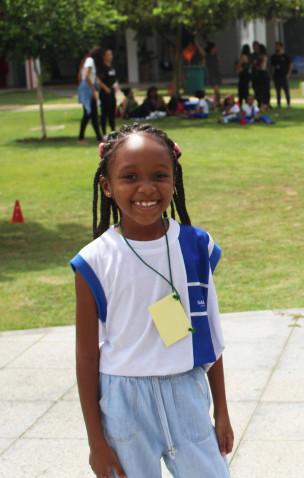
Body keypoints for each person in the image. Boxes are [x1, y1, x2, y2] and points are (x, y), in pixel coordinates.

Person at [71, 123, 233, 478]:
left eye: (159, 175)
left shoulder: (196, 246)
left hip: (186, 392)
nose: (146, 188)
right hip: (124, 403)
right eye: (129, 177)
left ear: (173, 180)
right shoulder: (94, 261)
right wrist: (96, 442)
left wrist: (221, 410)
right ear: (107, 186)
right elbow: (86, 355)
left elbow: (212, 335)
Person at [78, 47, 103, 143]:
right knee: (88, 114)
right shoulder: (90, 60)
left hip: (88, 88)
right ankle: (81, 138)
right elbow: (87, 75)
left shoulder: (88, 60)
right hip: (87, 89)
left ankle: (99, 138)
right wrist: (92, 89)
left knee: (93, 114)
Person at [97, 48, 118, 136]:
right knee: (104, 113)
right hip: (104, 93)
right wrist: (105, 88)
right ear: (104, 56)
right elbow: (98, 79)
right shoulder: (102, 68)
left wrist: (117, 87)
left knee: (112, 113)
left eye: (111, 54)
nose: (110, 56)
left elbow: (115, 79)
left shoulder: (112, 67)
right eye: (108, 54)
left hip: (112, 93)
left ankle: (113, 131)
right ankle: (104, 133)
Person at [270, 42, 292, 108]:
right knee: (278, 90)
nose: (276, 47)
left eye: (277, 46)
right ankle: (278, 104)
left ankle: (288, 104)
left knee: (286, 90)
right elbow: (272, 66)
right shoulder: (273, 57)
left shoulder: (286, 56)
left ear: (281, 47)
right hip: (276, 76)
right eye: (275, 46)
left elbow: (290, 65)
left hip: (284, 75)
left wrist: (289, 73)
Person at [203, 42, 222, 107]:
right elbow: (200, 49)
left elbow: (219, 64)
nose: (216, 48)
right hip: (212, 76)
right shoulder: (207, 55)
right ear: (211, 48)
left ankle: (217, 103)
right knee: (217, 91)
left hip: (217, 75)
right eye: (215, 47)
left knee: (217, 92)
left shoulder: (216, 55)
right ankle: (217, 103)